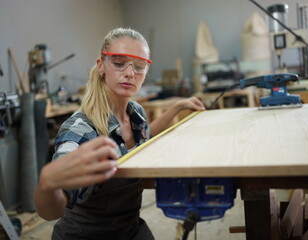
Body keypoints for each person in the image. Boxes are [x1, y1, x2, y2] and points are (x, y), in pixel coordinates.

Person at [34, 27, 205, 240]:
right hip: (85, 234)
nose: (130, 73)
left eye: (139, 66)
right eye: (119, 63)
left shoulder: (135, 113)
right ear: (101, 66)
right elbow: (50, 211)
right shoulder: (81, 129)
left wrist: (176, 108)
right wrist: (48, 184)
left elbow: (145, 137)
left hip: (130, 227)